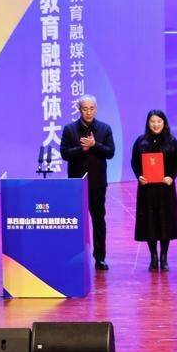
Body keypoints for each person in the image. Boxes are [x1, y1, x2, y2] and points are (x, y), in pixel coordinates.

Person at [60, 94, 116, 270]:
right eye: (85, 109)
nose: (89, 112)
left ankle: (100, 257)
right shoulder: (70, 129)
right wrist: (82, 149)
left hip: (98, 183)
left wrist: (94, 145)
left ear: (96, 109)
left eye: (91, 108)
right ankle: (77, 257)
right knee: (77, 221)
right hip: (76, 184)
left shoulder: (104, 129)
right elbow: (64, 154)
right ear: (79, 109)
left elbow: (110, 152)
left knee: (98, 220)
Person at [130, 109, 177, 271]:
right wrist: (139, 176)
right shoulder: (141, 141)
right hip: (147, 189)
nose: (156, 124)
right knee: (149, 222)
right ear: (148, 123)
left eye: (159, 121)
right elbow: (134, 162)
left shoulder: (171, 141)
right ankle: (153, 256)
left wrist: (171, 177)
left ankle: (164, 257)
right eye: (153, 121)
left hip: (165, 188)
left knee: (165, 221)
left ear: (164, 123)